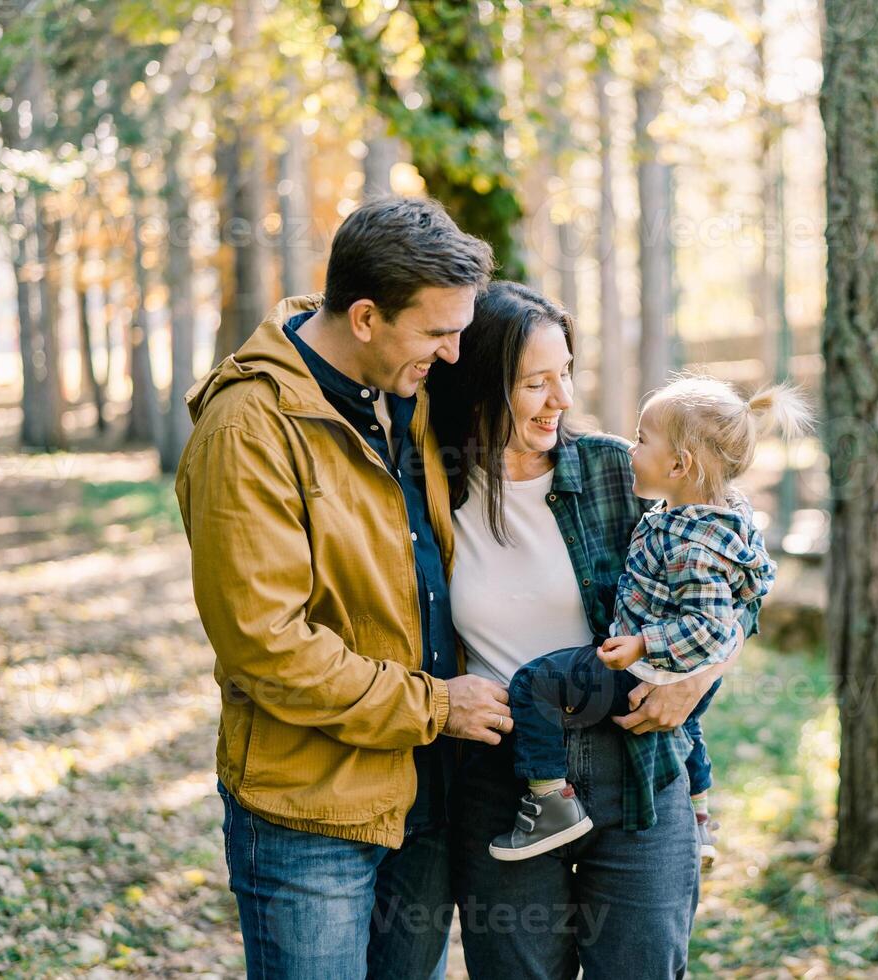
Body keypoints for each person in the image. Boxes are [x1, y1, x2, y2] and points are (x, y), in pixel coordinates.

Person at [175, 196, 515, 979]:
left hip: (423, 795)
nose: (455, 354)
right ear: (365, 317)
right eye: (437, 333)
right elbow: (268, 647)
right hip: (310, 814)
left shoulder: (409, 389)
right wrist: (437, 705)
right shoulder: (249, 429)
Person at [427, 281, 745, 978]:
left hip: (637, 765)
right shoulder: (428, 488)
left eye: (566, 372)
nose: (561, 399)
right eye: (536, 382)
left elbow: (736, 583)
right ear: (480, 383)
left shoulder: (615, 471)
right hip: (506, 777)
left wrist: (696, 678)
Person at [488, 376, 811, 871]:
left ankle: (550, 801)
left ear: (680, 465)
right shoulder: (725, 516)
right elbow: (755, 584)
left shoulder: (690, 545)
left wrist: (643, 644)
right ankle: (700, 813)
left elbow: (708, 626)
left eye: (642, 440)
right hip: (674, 672)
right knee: (694, 726)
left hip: (648, 671)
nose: (631, 449)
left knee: (535, 683)